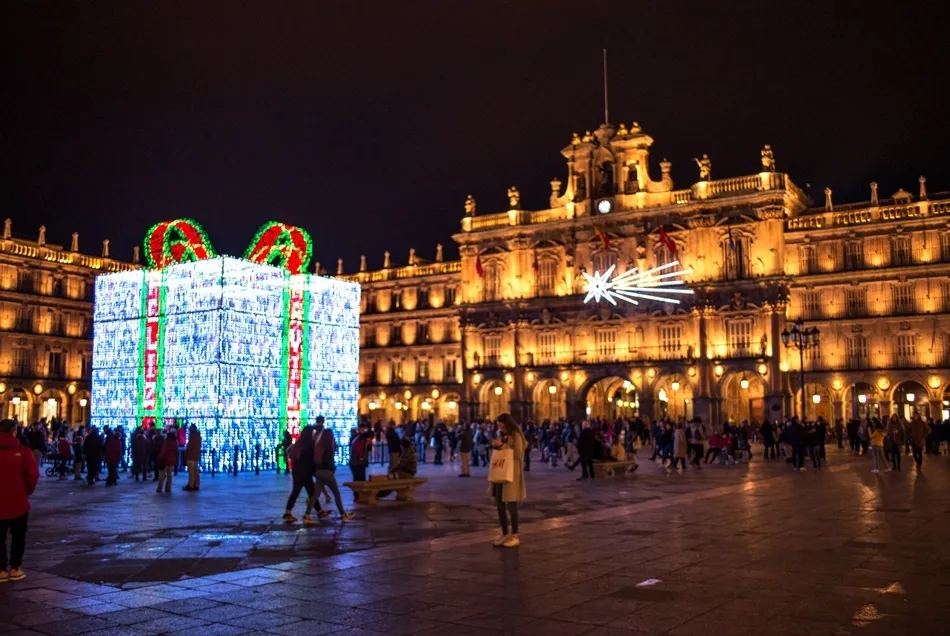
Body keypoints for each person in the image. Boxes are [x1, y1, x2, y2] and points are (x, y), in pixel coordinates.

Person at [0, 419, 38, 583]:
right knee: (18, 536)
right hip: (19, 502)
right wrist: (26, 491)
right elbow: (33, 475)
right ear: (14, 432)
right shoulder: (23, 451)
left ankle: (1, 570)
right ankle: (15, 568)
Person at [490, 413, 526, 548]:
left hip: (512, 474)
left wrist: (502, 446)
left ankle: (515, 535)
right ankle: (505, 534)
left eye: (502, 425)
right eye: (499, 426)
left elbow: (517, 454)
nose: (500, 428)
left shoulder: (517, 436)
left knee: (511, 506)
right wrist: (496, 446)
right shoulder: (502, 434)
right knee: (499, 505)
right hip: (500, 473)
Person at [312, 416, 354, 521]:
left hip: (318, 469)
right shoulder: (326, 443)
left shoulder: (316, 438)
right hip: (326, 470)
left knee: (316, 493)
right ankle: (343, 514)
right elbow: (329, 457)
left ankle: (307, 514)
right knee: (336, 492)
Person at [283, 426, 323, 524]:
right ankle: (290, 513)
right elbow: (311, 461)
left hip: (297, 472)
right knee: (309, 492)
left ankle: (319, 511)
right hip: (305, 472)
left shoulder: (298, 444)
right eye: (313, 433)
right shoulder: (309, 445)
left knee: (306, 492)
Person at [184, 424, 201, 491]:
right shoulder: (198, 436)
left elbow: (190, 446)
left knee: (191, 472)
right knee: (195, 471)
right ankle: (196, 484)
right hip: (196, 456)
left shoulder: (192, 436)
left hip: (191, 456)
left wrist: (187, 451)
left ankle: (191, 485)